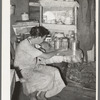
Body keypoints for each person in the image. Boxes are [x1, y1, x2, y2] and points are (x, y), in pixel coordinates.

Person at [14, 26, 66, 100]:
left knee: (54, 71)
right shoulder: (25, 45)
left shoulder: (30, 41)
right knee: (46, 78)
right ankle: (33, 95)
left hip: (33, 66)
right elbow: (46, 56)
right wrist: (58, 51)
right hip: (23, 71)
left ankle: (41, 95)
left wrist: (42, 48)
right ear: (38, 37)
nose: (43, 40)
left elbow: (39, 49)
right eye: (43, 38)